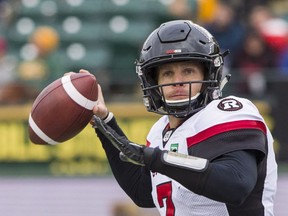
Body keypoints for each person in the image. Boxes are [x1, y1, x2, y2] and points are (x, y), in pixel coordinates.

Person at [73, 20, 278, 215]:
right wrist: (104, 122)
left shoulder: (229, 112)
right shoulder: (159, 131)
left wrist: (157, 159)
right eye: (168, 74)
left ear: (209, 75)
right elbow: (142, 192)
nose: (177, 82)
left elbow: (236, 185)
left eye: (188, 71)